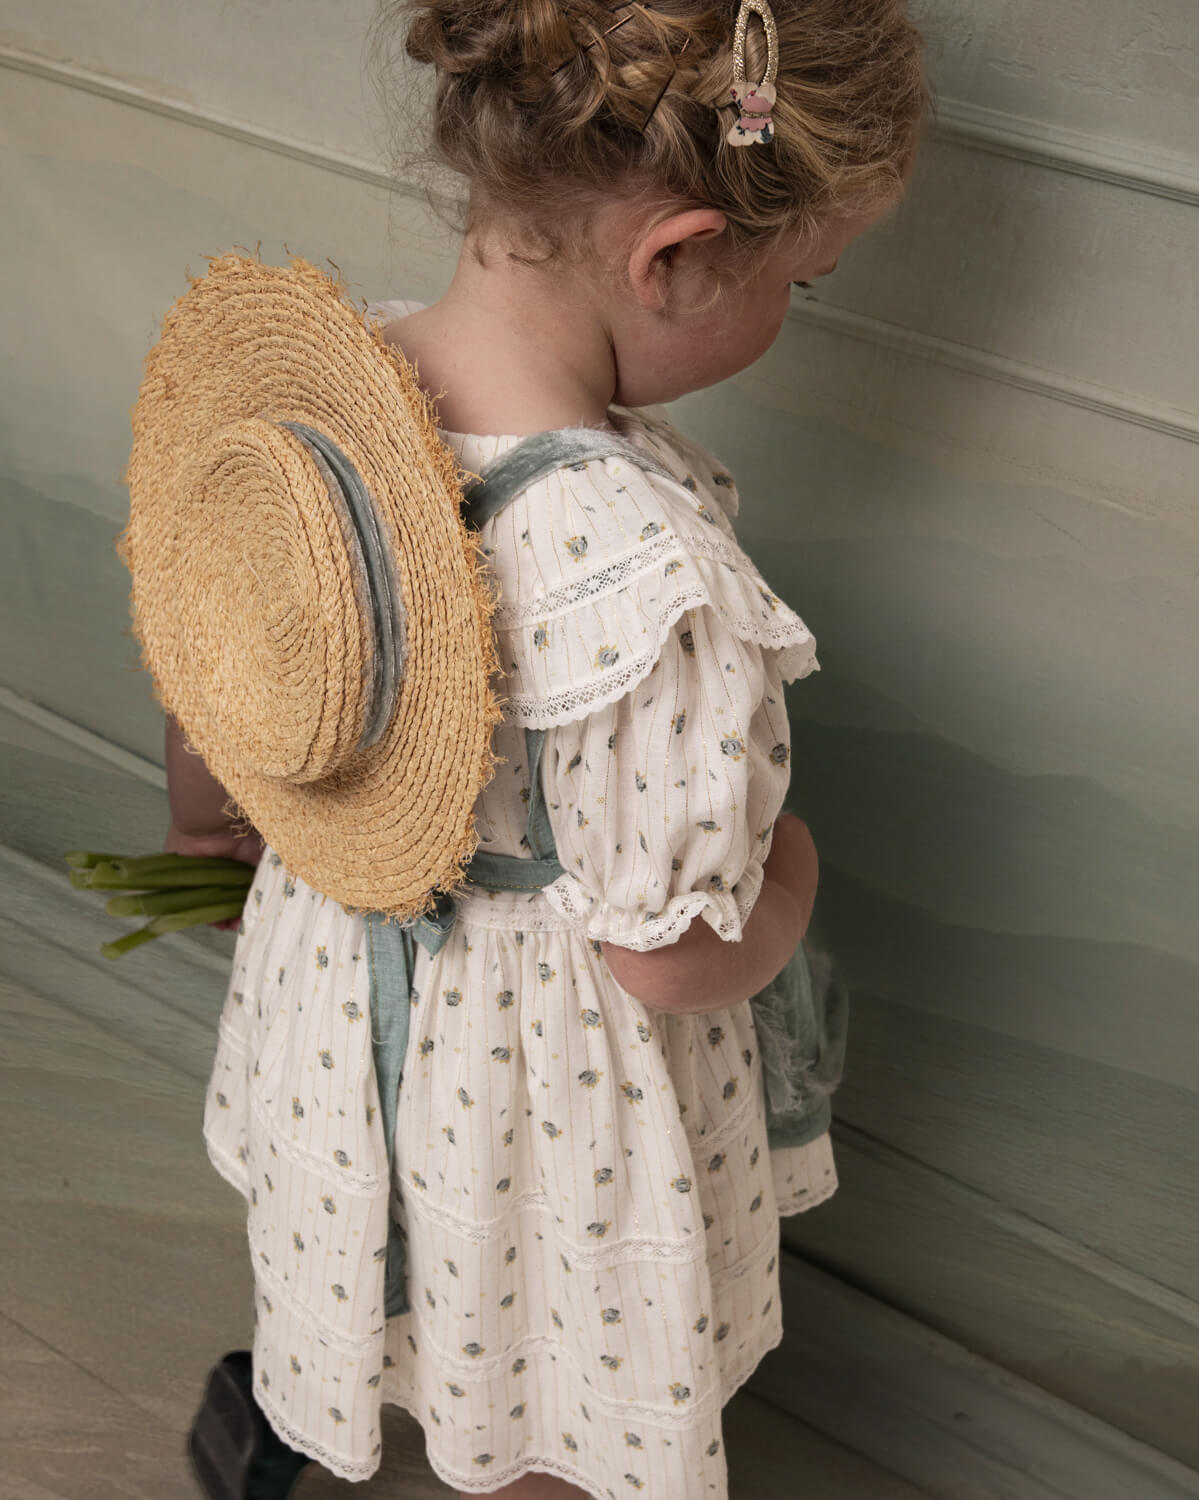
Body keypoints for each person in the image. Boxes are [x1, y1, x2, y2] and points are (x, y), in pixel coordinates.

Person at [168, 1, 926, 1494]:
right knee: (548, 1366)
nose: (799, 313)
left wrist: (212, 807)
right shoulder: (643, 578)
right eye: (808, 284)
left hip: (344, 999)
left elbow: (218, 640)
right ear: (678, 255)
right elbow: (664, 958)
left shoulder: (329, 395)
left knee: (405, 1275)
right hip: (532, 1085)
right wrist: (792, 882)